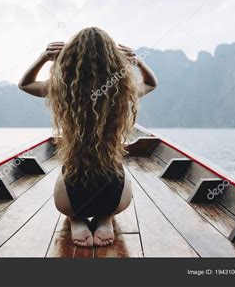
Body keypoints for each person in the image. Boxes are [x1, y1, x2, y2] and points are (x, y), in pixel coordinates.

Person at [19, 27, 157, 246]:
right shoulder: (120, 90)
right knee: (119, 170)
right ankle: (106, 218)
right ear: (113, 61)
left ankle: (76, 219)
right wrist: (136, 61)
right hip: (115, 196)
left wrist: (44, 58)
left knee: (67, 172)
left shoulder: (63, 90)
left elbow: (24, 84)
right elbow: (151, 83)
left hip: (69, 200)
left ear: (71, 58)